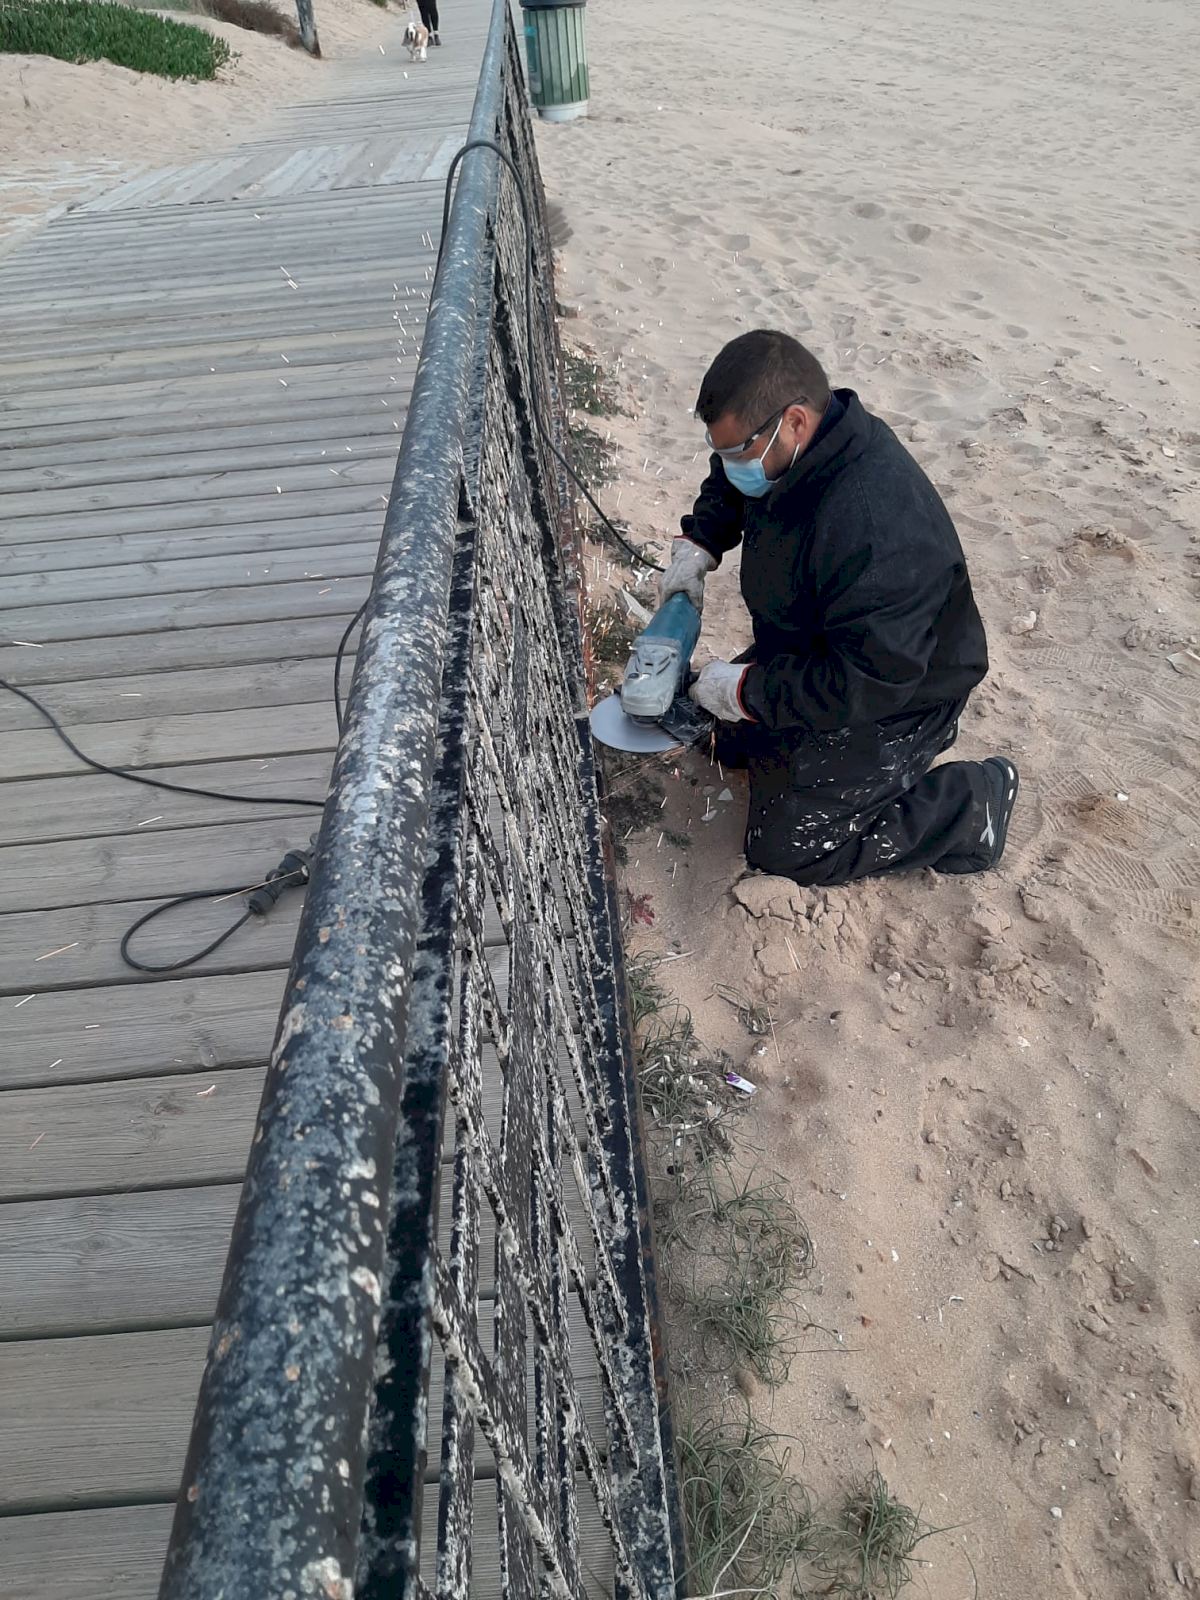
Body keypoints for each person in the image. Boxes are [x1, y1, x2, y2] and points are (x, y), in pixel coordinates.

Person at [661, 329, 1019, 888]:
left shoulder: (875, 527)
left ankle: (972, 802)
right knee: (719, 733)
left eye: (738, 454)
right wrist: (700, 543)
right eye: (720, 452)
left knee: (788, 848)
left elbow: (872, 680)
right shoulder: (789, 450)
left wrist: (748, 690)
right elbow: (735, 480)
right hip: (818, 646)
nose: (730, 466)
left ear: (795, 421)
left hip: (899, 691)